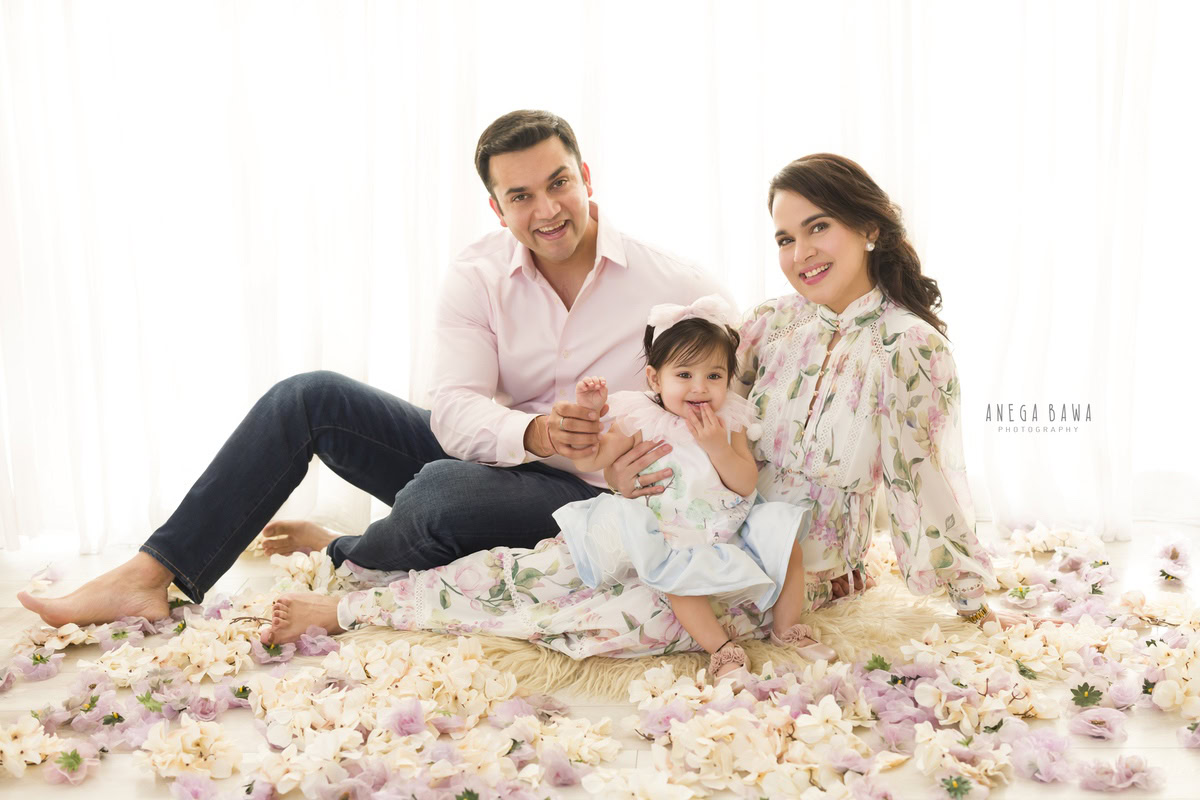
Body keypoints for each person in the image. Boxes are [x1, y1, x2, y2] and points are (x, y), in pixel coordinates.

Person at [18, 109, 726, 629]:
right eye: (520, 196)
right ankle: (149, 574)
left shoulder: (674, 282)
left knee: (441, 496)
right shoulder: (478, 275)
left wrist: (649, 459)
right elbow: (452, 409)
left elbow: (730, 384)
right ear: (496, 206)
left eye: (558, 183)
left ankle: (344, 548)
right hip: (505, 454)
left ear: (586, 176)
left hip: (585, 496)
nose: (546, 210)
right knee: (309, 397)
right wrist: (537, 432)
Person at [265, 300, 835, 677]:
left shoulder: (730, 421)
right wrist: (591, 414)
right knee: (559, 573)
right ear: (654, 379)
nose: (701, 388)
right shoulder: (639, 412)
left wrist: (715, 447)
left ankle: (788, 630)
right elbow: (601, 456)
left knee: (786, 544)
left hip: (723, 527)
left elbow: (744, 482)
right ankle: (719, 649)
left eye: (714, 375)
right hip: (662, 529)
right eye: (685, 375)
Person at [605, 153, 1012, 628]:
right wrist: (623, 476)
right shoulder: (768, 323)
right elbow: (691, 417)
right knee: (594, 579)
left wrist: (971, 602)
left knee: (640, 619)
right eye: (785, 239)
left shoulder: (909, 346)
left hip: (805, 569)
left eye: (817, 228)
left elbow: (923, 477)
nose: (800, 255)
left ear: (869, 229)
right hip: (712, 530)